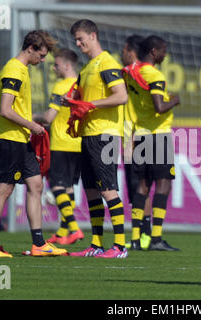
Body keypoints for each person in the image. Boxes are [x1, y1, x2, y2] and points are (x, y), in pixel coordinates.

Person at [0, 30, 68, 257]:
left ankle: (39, 244)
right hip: (10, 138)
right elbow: (5, 110)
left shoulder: (22, 69)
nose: (44, 59)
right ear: (30, 49)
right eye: (42, 54)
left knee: (35, 185)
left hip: (20, 138)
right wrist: (32, 125)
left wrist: (30, 124)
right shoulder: (14, 70)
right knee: (4, 189)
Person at [67, 19, 129, 258]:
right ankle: (96, 244)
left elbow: (121, 96)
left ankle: (121, 246)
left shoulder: (107, 63)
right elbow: (82, 99)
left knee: (108, 189)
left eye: (81, 38)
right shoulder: (87, 68)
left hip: (105, 135)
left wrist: (90, 103)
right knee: (92, 190)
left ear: (93, 36)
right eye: (75, 39)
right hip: (88, 134)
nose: (78, 43)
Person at [124, 35, 180, 251]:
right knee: (163, 183)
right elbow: (159, 107)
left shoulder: (132, 71)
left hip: (140, 133)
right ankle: (156, 238)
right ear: (154, 52)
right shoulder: (154, 74)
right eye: (163, 50)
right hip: (157, 134)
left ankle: (136, 238)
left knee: (143, 184)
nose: (166, 54)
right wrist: (174, 100)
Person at [34, 48, 84, 246]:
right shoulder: (83, 85)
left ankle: (74, 228)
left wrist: (32, 118)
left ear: (66, 65)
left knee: (55, 185)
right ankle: (63, 232)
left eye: (56, 64)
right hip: (79, 143)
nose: (53, 68)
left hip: (61, 142)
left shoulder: (60, 87)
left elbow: (48, 118)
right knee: (68, 188)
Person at [121, 34, 153, 251]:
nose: (121, 53)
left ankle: (145, 235)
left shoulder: (140, 74)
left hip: (138, 135)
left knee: (141, 185)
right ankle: (141, 234)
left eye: (124, 50)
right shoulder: (127, 74)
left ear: (131, 51)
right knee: (134, 188)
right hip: (128, 133)